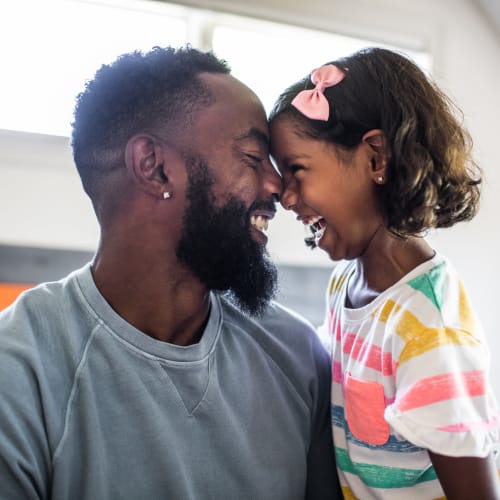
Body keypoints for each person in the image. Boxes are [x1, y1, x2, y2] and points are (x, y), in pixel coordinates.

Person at [0, 46, 341, 499]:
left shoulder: (299, 358)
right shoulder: (20, 373)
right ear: (155, 167)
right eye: (253, 158)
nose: (278, 186)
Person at [269, 47, 500, 499]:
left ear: (375, 157)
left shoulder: (430, 325)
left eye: (297, 171)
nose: (286, 198)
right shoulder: (345, 284)